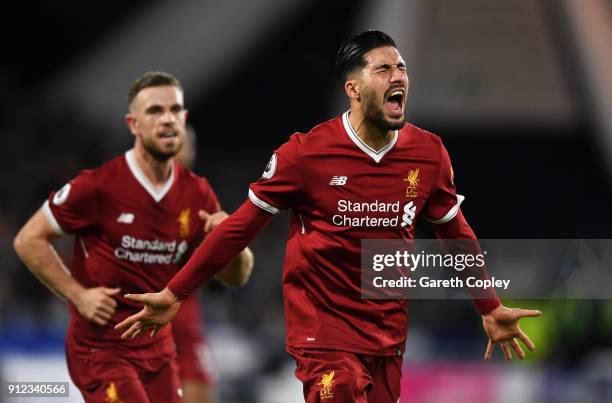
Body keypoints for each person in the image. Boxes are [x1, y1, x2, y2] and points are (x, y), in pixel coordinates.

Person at [116, 32, 541, 402]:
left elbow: (455, 234)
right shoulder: (306, 153)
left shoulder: (428, 153)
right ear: (353, 89)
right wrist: (174, 293)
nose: (398, 76)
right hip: (323, 333)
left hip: (386, 336)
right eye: (383, 69)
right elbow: (241, 226)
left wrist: (488, 305)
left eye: (402, 67)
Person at [13, 71, 253, 403]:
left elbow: (236, 278)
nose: (167, 119)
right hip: (102, 349)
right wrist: (77, 294)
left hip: (158, 350)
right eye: (154, 111)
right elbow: (27, 239)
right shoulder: (99, 186)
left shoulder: (198, 194)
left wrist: (233, 243)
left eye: (174, 111)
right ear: (133, 124)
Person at [172, 125, 218, 403]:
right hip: (145, 321)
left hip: (186, 319)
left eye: (190, 144)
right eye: (182, 144)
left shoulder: (200, 197)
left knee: (201, 389)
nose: (188, 151)